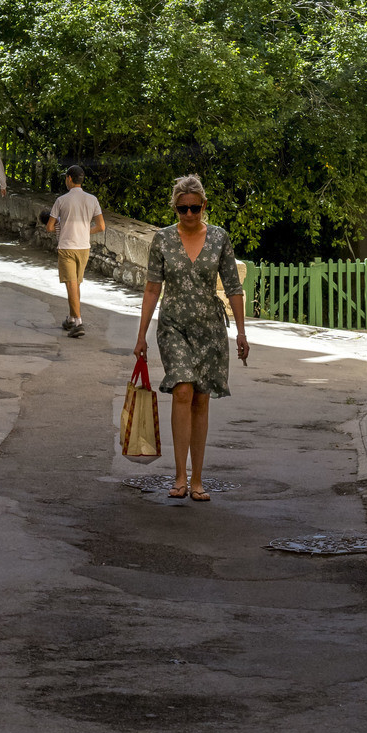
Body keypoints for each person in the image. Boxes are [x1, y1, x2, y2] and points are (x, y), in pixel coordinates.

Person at [133, 174, 248, 502]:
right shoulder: (163, 240)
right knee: (182, 389)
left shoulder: (219, 238)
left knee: (201, 398)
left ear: (204, 206)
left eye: (195, 208)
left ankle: (197, 479)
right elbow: (152, 287)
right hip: (173, 328)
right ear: (175, 208)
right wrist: (141, 335)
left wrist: (241, 332)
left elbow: (234, 288)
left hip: (209, 330)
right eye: (182, 209)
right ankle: (180, 476)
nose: (189, 215)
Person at [45, 165, 105, 336]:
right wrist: (86, 231)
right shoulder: (92, 200)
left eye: (66, 178)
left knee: (70, 283)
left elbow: (49, 227)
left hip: (67, 246)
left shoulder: (61, 201)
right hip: (84, 247)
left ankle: (78, 321)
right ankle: (71, 318)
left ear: (69, 179)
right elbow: (101, 226)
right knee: (75, 283)